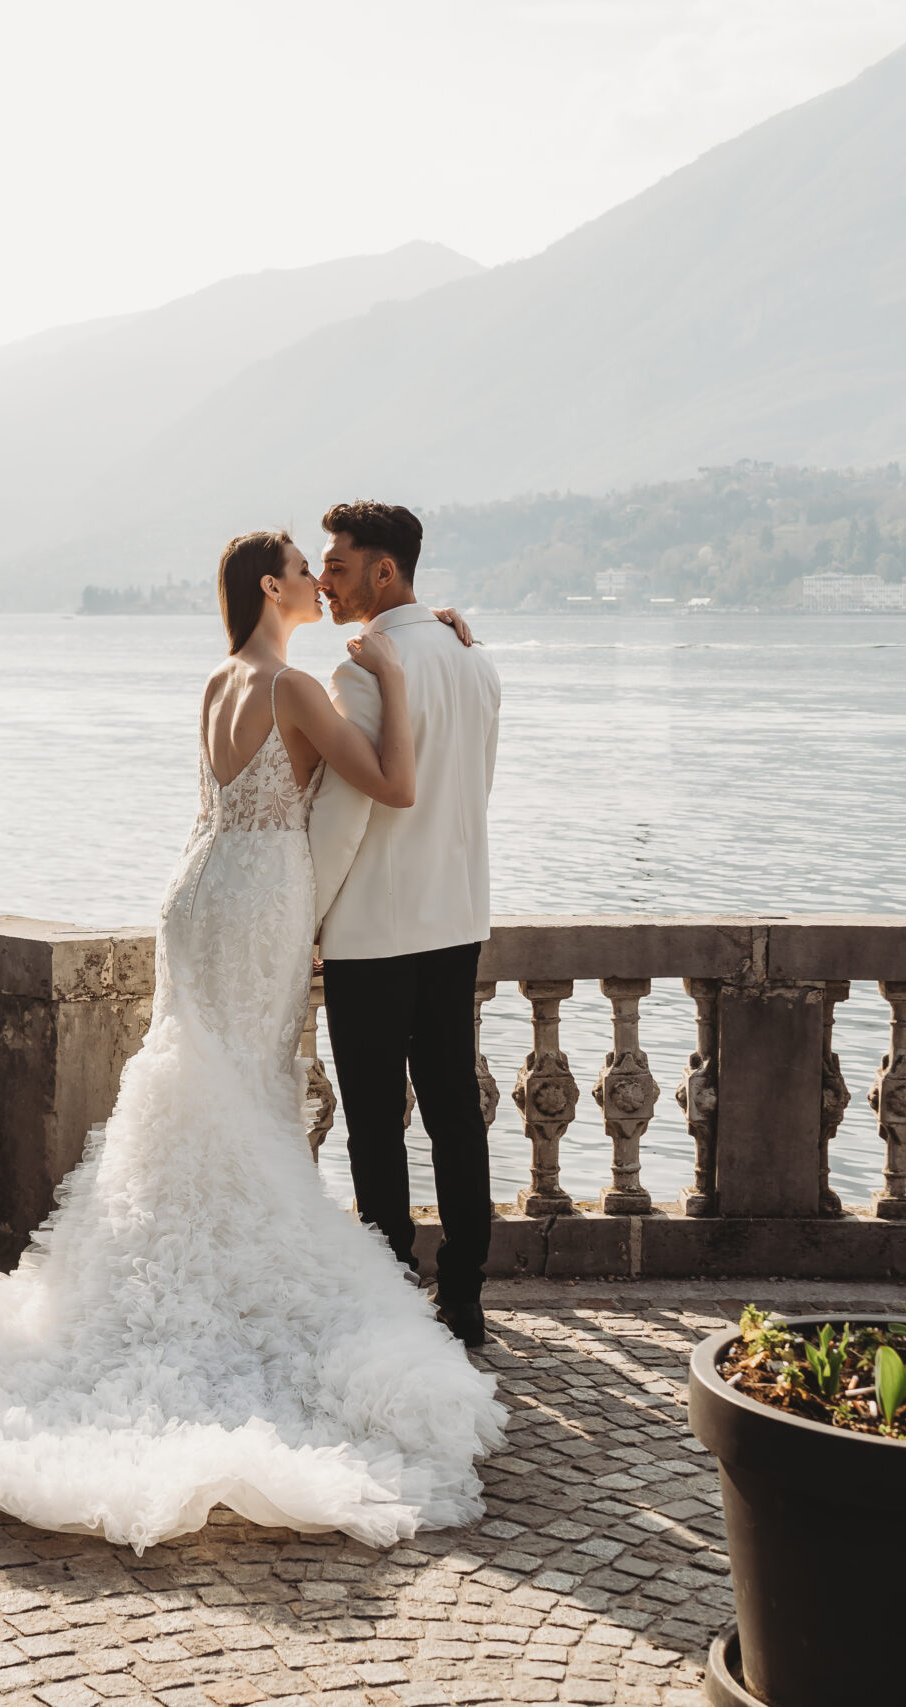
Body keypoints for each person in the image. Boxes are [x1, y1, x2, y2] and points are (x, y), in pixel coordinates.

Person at [0, 529, 505, 1552]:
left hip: (198, 893)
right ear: (271, 585)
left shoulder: (218, 681)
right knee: (246, 1086)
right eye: (303, 569)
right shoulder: (296, 688)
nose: (315, 580)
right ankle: (245, 1288)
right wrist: (392, 662)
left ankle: (166, 1267)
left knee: (201, 1079)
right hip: (259, 897)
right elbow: (392, 784)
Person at [308, 500, 503, 1347]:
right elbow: (477, 785)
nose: (326, 581)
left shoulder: (362, 672)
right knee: (456, 1111)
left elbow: (342, 819)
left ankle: (390, 1294)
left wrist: (302, 915)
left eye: (340, 567)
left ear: (385, 570)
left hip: (375, 929)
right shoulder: (474, 660)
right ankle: (463, 1296)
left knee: (376, 1120)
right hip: (456, 915)